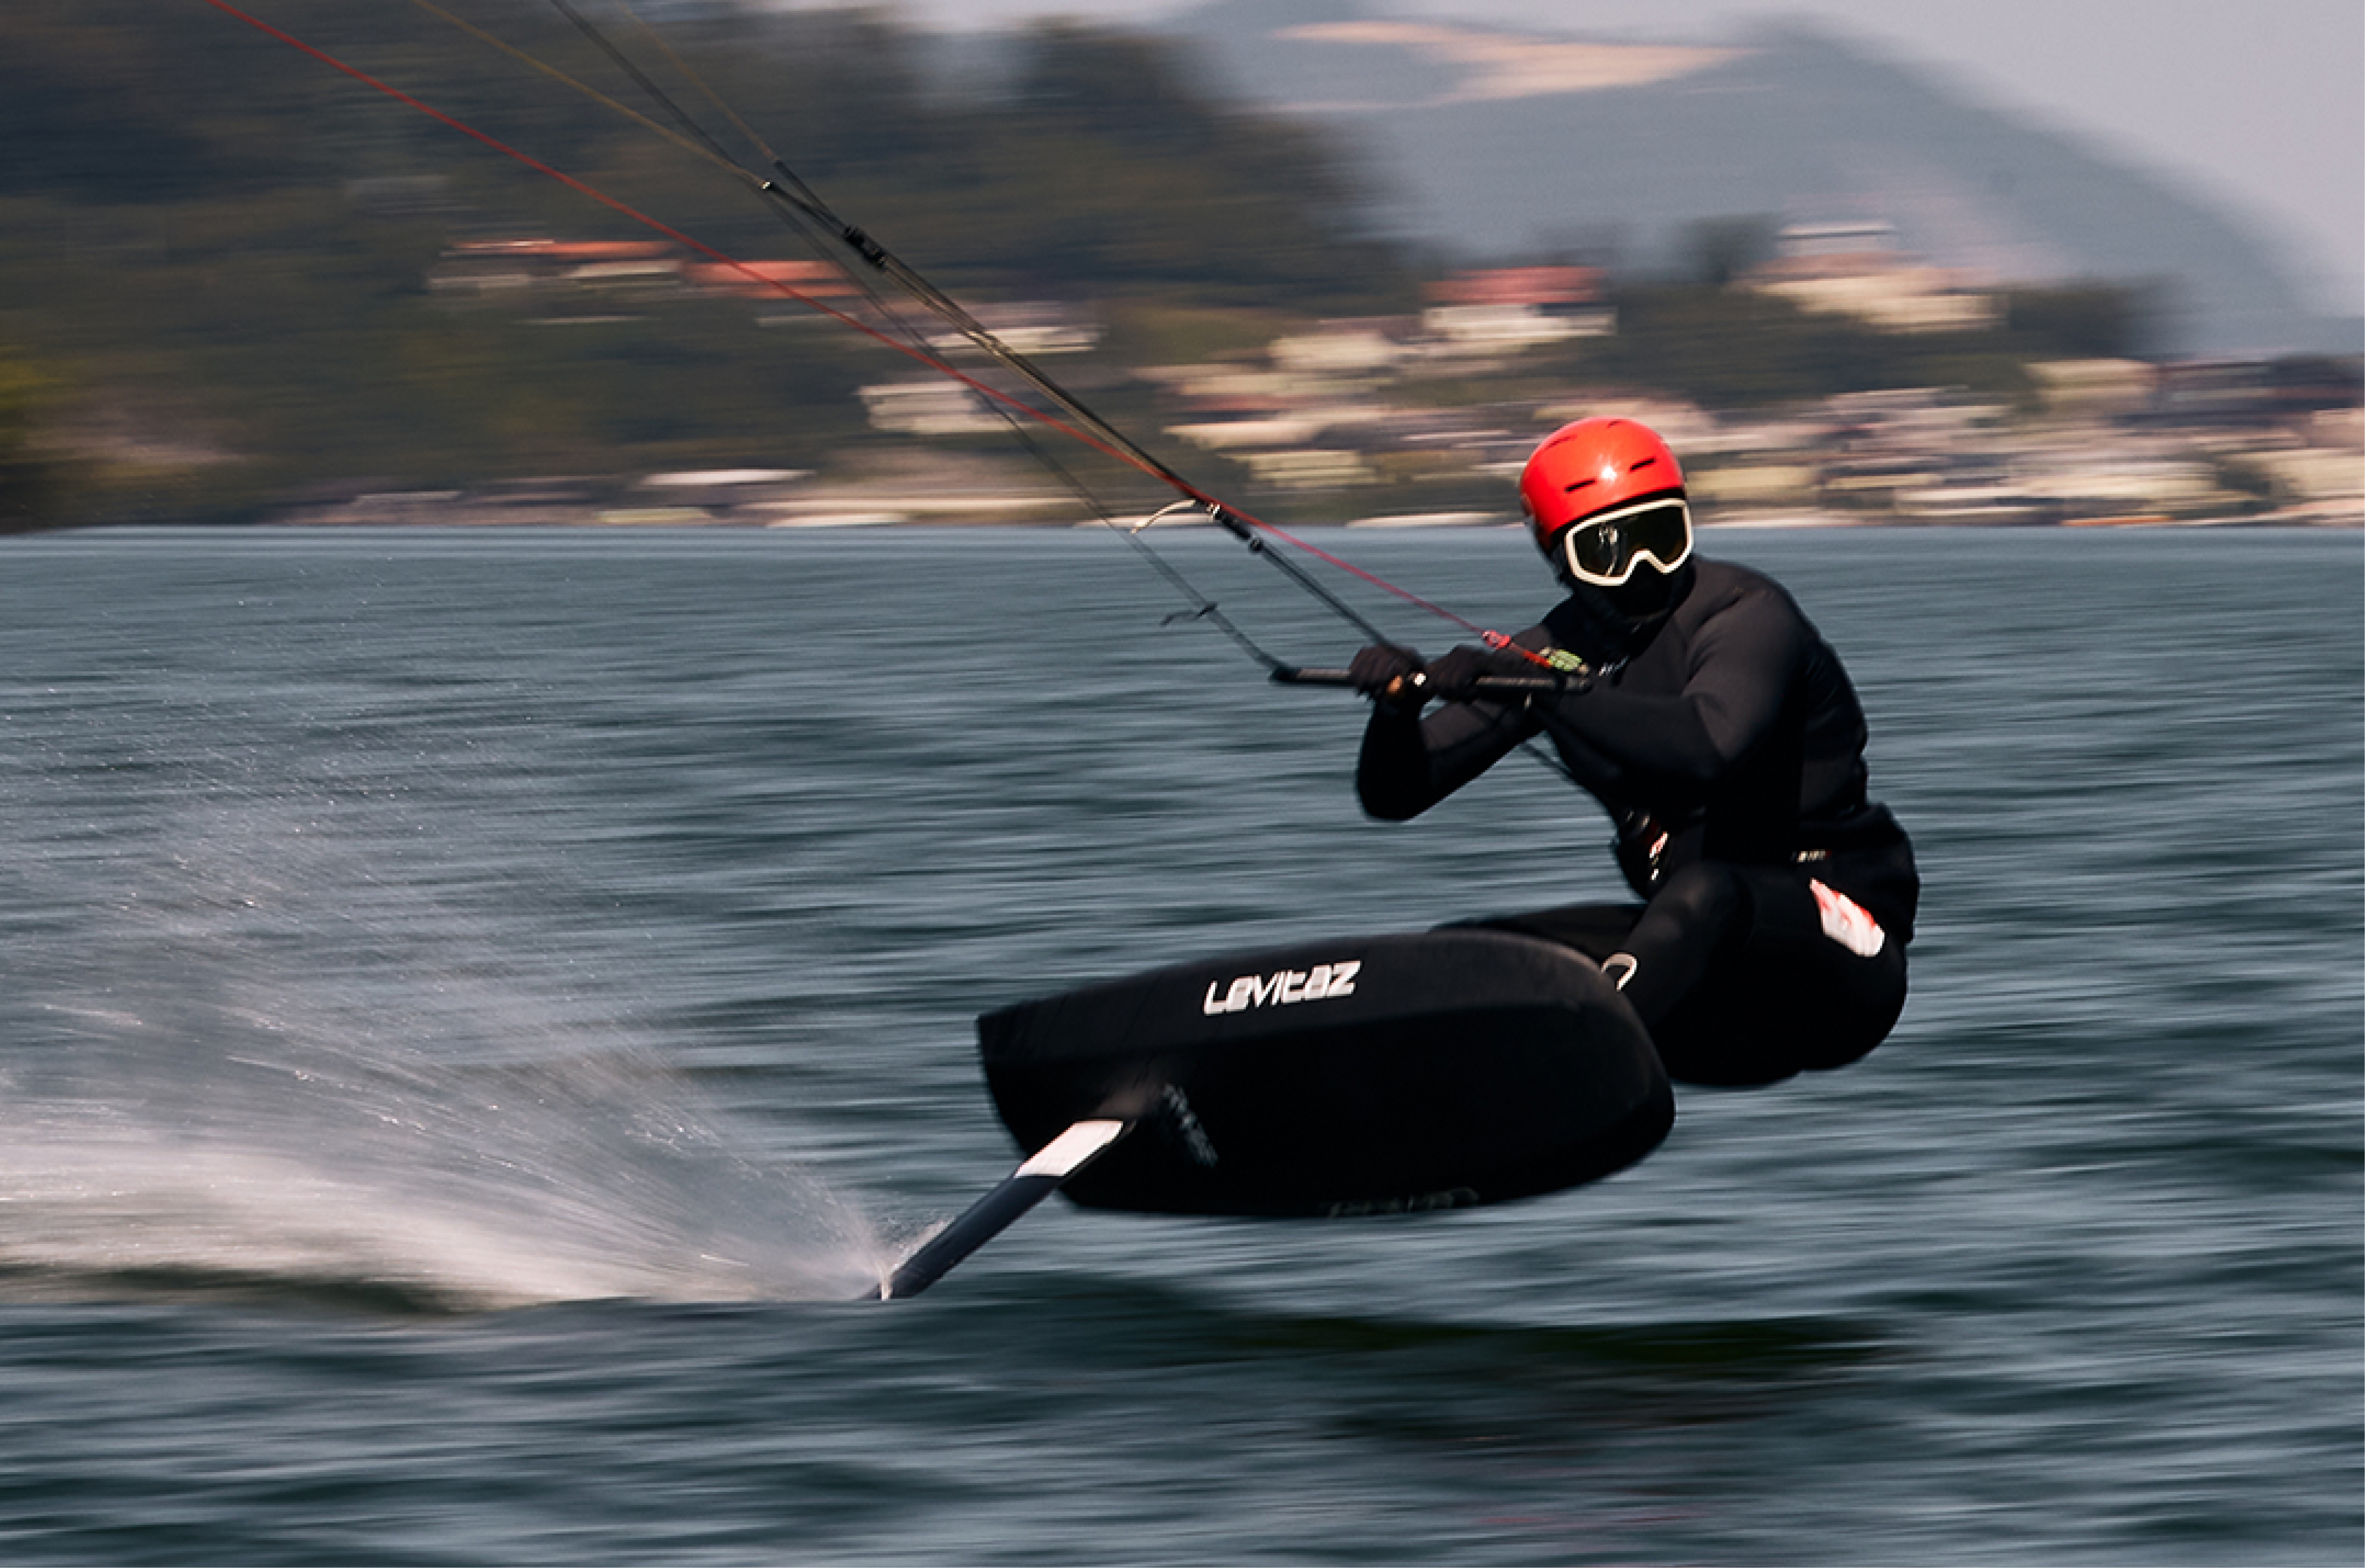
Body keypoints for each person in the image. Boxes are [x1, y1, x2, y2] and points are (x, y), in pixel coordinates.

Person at [1349, 416, 1917, 1087]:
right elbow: (1397, 795)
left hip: (1840, 965)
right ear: (1559, 558)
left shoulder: (1748, 617)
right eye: (1610, 550)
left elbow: (1709, 746)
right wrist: (1394, 712)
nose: (1644, 571)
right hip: (1708, 999)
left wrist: (1549, 691)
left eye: (1660, 538)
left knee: (1709, 892)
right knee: (1467, 953)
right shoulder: (1554, 653)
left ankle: (1561, 1073)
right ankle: (1395, 1095)